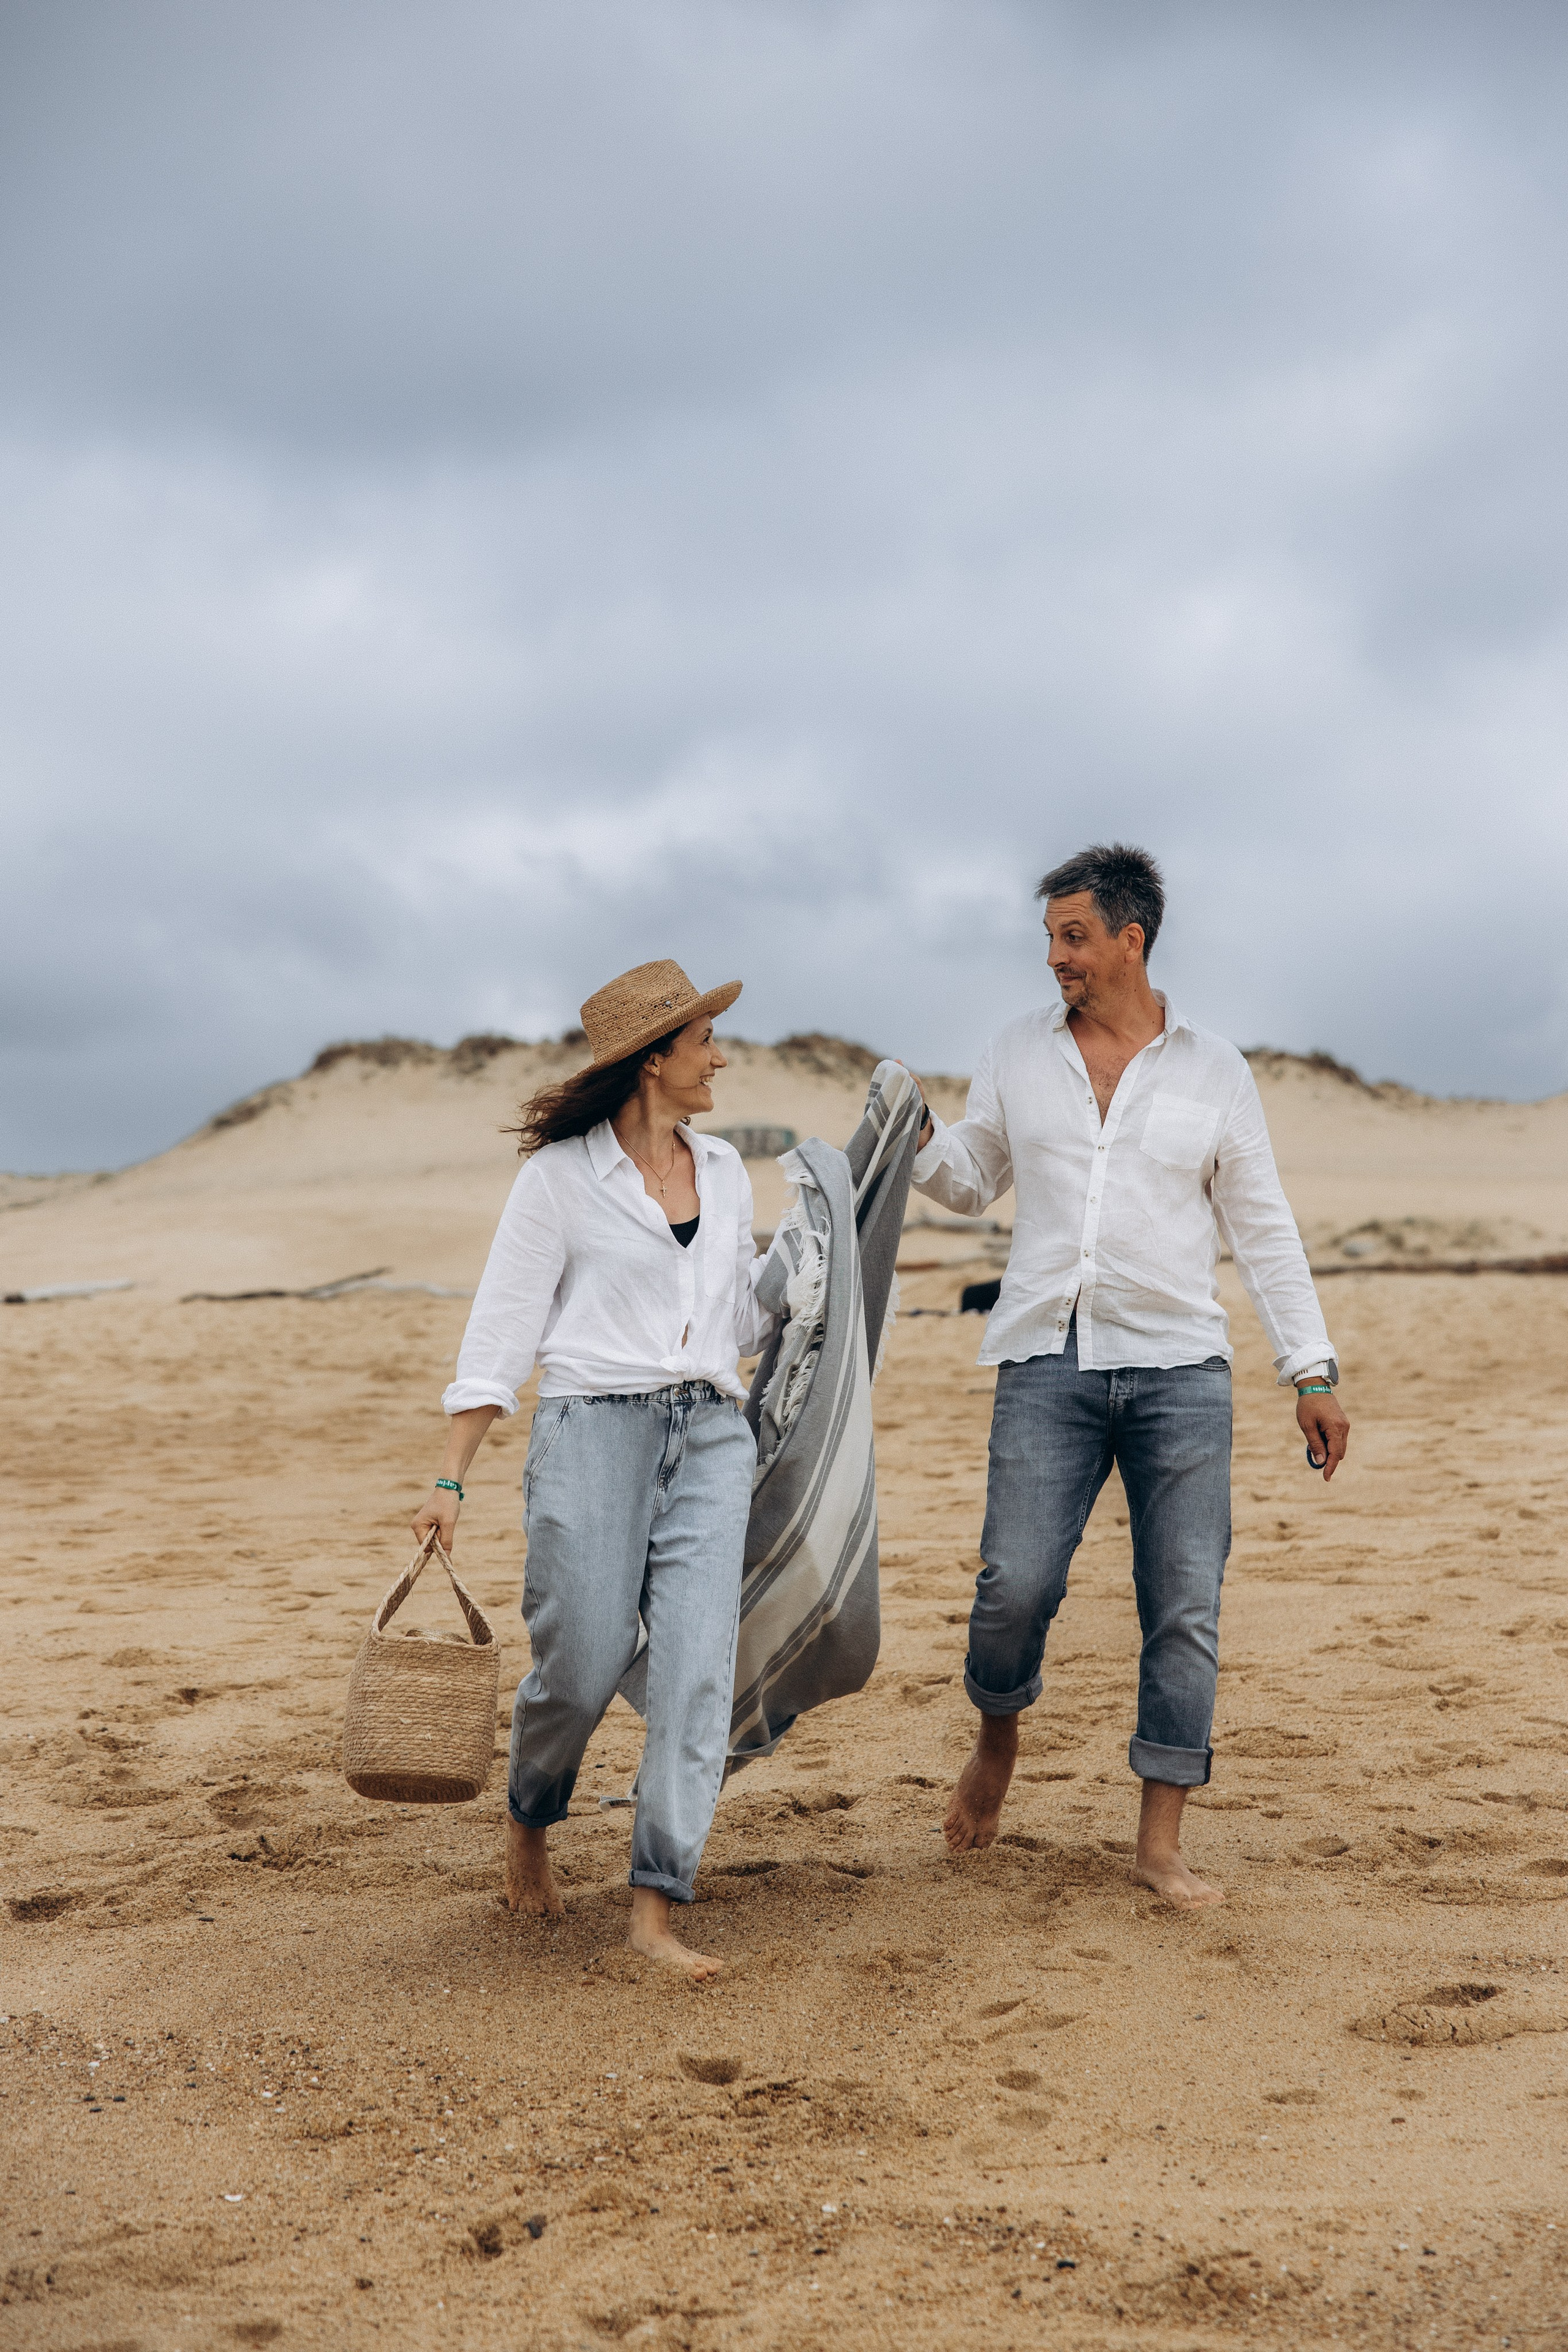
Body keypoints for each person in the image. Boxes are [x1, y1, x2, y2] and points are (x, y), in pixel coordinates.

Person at [911, 843, 1349, 1907]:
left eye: (1073, 936)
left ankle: (1160, 1843)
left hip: (1181, 1371)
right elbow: (972, 1179)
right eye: (1050, 937)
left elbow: (1263, 1226)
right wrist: (912, 1137)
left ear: (1129, 940)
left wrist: (1311, 1367)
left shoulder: (1216, 1070)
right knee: (1013, 1584)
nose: (1055, 957)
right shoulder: (1017, 1051)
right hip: (1046, 1357)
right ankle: (997, 1740)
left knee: (1183, 1605)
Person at [412, 959, 777, 1980]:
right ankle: (532, 1817)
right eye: (704, 1039)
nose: (720, 1054)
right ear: (654, 1059)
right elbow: (502, 1333)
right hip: (592, 1431)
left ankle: (655, 1911)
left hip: (711, 1433)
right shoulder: (560, 1180)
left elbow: (738, 1322)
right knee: (579, 1658)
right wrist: (451, 1479)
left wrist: (792, 1277)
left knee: (698, 1674)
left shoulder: (732, 1171)